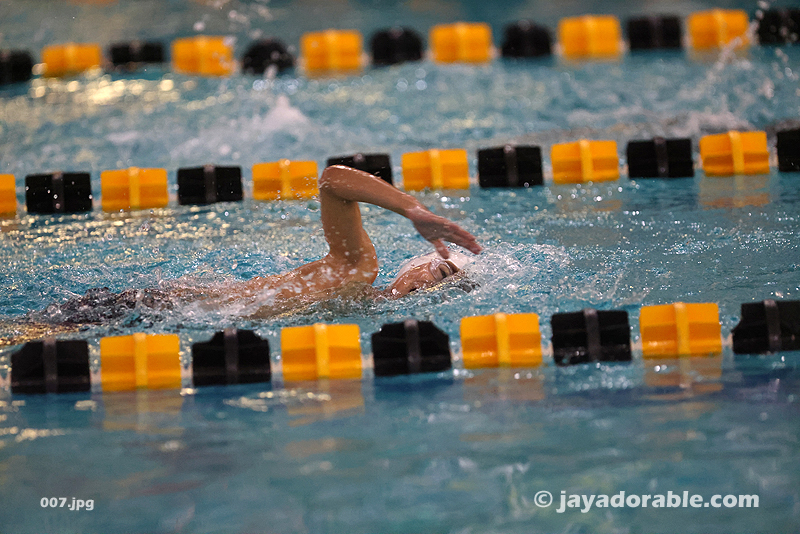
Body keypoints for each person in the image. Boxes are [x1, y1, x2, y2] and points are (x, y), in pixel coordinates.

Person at [0, 165, 481, 346]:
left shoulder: (358, 315)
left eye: (443, 285)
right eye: (439, 269)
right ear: (417, 262)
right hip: (147, 307)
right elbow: (333, 180)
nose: (430, 282)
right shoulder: (356, 270)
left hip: (161, 322)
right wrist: (413, 209)